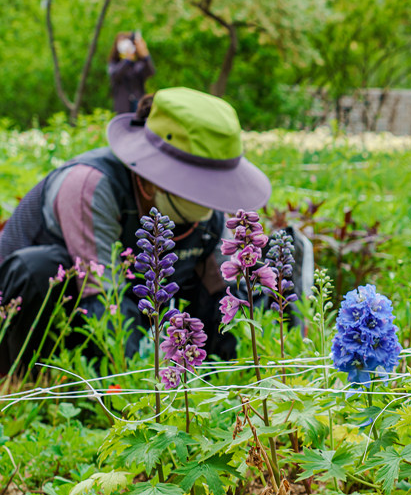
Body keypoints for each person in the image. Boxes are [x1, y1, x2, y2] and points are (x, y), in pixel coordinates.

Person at [0, 87, 272, 375]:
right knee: (40, 269)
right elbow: (104, 303)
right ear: (155, 177)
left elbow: (221, 292)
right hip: (53, 322)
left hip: (145, 318)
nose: (211, 199)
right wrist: (142, 392)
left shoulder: (210, 211)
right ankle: (32, 388)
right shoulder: (91, 185)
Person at [108, 30, 156, 114]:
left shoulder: (138, 64)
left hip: (139, 106)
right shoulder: (114, 64)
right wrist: (127, 60)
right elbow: (115, 75)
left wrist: (145, 56)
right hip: (122, 108)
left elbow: (150, 72)